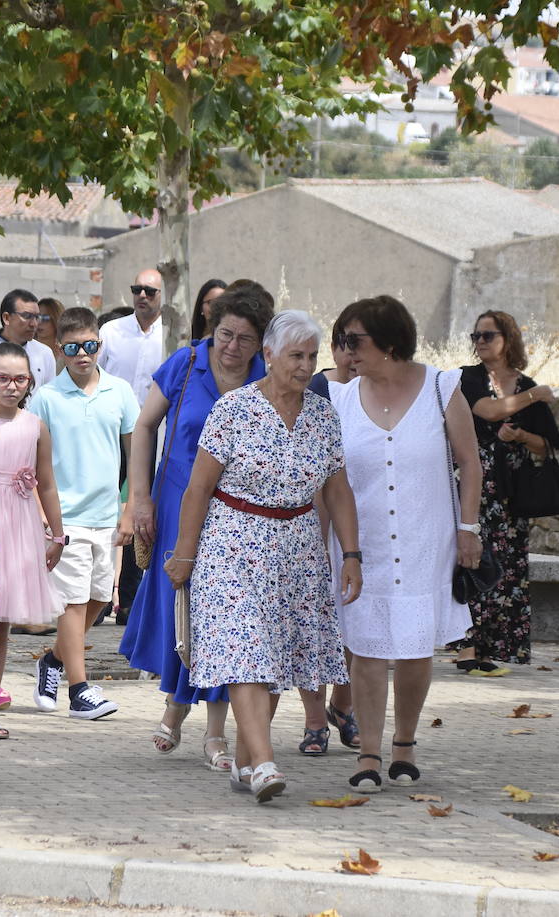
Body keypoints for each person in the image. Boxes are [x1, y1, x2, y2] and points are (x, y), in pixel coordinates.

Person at [164, 310, 362, 805]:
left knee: (276, 657)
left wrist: (353, 554)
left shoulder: (322, 415)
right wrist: (184, 555)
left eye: (312, 356)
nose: (306, 365)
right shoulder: (233, 410)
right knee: (245, 653)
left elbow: (339, 492)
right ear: (268, 356)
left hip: (298, 548)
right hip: (233, 544)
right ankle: (265, 761)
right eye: (296, 355)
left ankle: (249, 761)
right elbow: (198, 489)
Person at [326, 297, 482, 793]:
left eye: (356, 341)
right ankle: (368, 752)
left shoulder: (442, 387)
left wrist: (470, 530)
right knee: (368, 649)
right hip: (361, 544)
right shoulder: (339, 399)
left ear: (390, 342)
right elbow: (328, 480)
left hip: (424, 538)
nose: (347, 351)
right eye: (344, 341)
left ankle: (405, 745)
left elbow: (471, 465)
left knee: (415, 648)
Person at [119, 286, 272, 772]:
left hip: (240, 517)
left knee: (227, 621)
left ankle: (213, 730)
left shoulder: (267, 377)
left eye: (245, 339)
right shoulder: (185, 364)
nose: (231, 346)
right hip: (176, 506)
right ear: (211, 326)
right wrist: (139, 498)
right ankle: (176, 704)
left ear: (261, 343)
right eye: (225, 333)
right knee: (180, 610)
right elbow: (144, 428)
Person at [29, 307, 139, 720]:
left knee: (97, 601)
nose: (82, 354)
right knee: (73, 605)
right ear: (60, 349)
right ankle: (79, 689)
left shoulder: (121, 392)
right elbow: (32, 462)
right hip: (66, 519)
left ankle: (53, 661)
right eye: (72, 347)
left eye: (89, 346)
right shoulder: (46, 398)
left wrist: (130, 508)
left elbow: (136, 455)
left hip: (107, 516)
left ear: (99, 344)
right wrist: (43, 514)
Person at [451, 310, 559, 676]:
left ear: (507, 338)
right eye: (476, 336)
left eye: (488, 335)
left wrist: (521, 437)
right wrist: (533, 396)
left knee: (508, 567)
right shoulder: (467, 379)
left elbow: (546, 447)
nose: (480, 342)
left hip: (511, 491)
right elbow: (487, 410)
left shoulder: (525, 384)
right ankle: (467, 648)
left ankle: (492, 646)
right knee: (471, 560)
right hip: (475, 485)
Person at [0, 343, 67, 740]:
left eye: (20, 379)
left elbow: (46, 483)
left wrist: (57, 535)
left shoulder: (35, 426)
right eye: (3, 378)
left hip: (16, 525)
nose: (12, 387)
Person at [299, 310, 360, 752]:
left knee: (359, 624)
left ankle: (344, 704)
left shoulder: (386, 390)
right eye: (349, 344)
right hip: (318, 521)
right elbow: (317, 473)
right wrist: (316, 537)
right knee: (314, 626)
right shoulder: (319, 390)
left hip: (367, 523)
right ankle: (315, 720)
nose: (356, 355)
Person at [101, 269, 165, 408]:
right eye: (137, 289)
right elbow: (93, 376)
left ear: (163, 294)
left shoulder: (170, 337)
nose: (142, 295)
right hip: (113, 421)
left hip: (155, 425)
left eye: (150, 291)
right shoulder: (110, 331)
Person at [0, 290, 57, 394]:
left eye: (37, 317)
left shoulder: (45, 353)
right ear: (6, 318)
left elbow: (50, 396)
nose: (34, 324)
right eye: (27, 316)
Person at [35, 297, 65, 369]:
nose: (39, 322)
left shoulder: (66, 352)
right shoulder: (26, 348)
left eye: (45, 318)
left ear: (56, 319)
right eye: (37, 317)